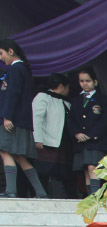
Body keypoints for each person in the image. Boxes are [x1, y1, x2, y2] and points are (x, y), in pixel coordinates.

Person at [0, 40, 47, 198]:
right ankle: (41, 192)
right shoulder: (20, 69)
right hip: (20, 120)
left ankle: (11, 190)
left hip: (14, 120)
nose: (1, 58)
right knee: (20, 156)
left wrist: (7, 117)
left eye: (1, 53)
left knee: (5, 152)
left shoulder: (16, 69)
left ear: (10, 51)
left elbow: (13, 95)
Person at [68, 67, 107, 195]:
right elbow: (70, 119)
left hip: (97, 141)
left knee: (93, 167)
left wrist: (90, 134)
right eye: (81, 81)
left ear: (95, 82)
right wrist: (77, 133)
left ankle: (95, 197)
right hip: (81, 141)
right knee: (86, 170)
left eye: (87, 81)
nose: (84, 84)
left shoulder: (104, 100)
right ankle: (90, 197)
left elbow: (105, 121)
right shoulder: (76, 100)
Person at [31, 73, 72, 198]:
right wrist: (37, 139)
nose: (68, 91)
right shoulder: (43, 97)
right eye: (67, 87)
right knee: (43, 170)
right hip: (47, 142)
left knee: (64, 173)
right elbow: (37, 119)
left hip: (63, 142)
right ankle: (40, 195)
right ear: (61, 86)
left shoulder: (65, 102)